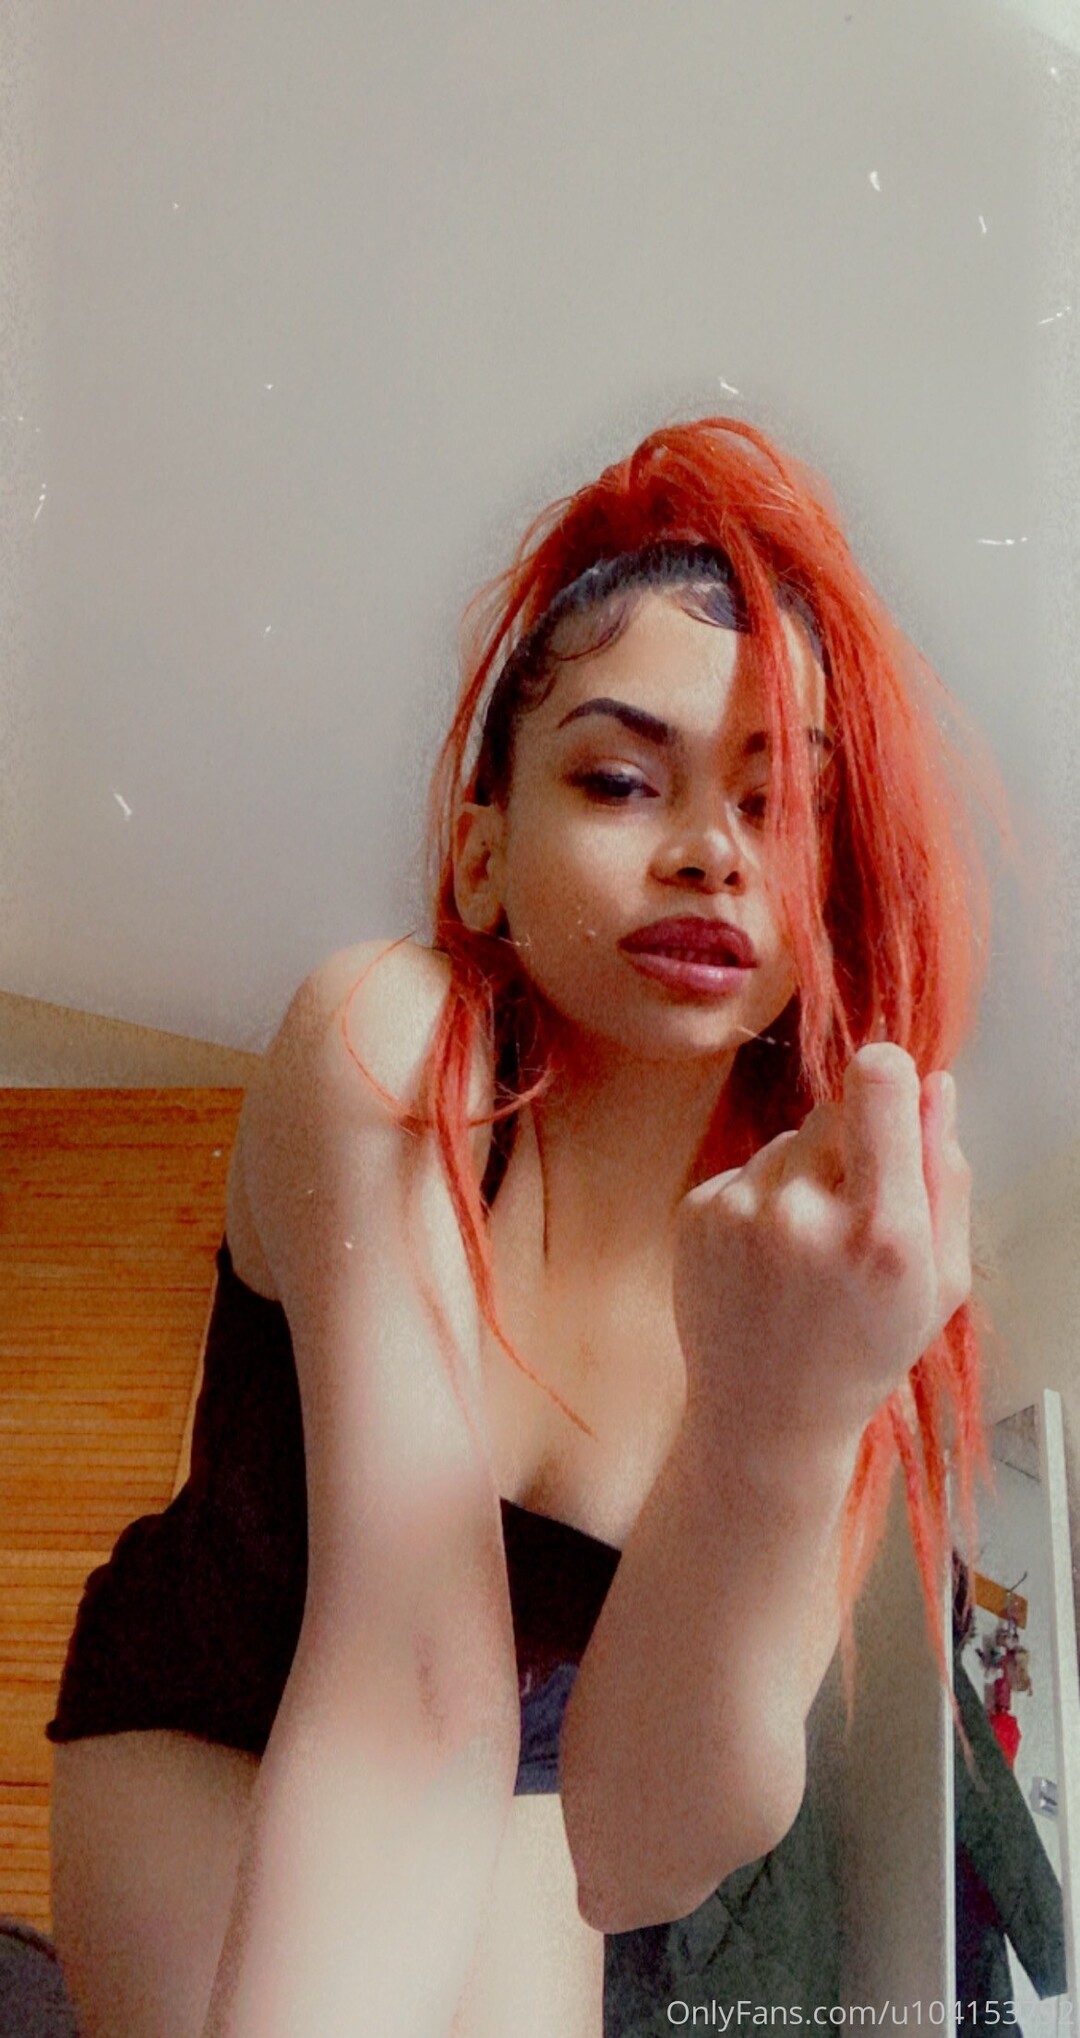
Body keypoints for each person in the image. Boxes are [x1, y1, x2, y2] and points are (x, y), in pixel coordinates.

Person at [46, 414, 1005, 2038]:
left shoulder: (824, 1258)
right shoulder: (388, 1041)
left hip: (521, 1799)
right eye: (621, 779)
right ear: (483, 856)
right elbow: (411, 1683)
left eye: (780, 808)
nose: (710, 852)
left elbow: (635, 1852)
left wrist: (775, 1420)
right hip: (207, 1717)